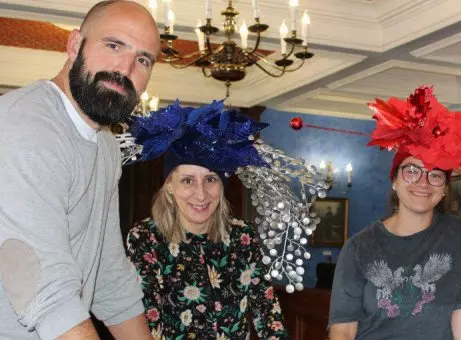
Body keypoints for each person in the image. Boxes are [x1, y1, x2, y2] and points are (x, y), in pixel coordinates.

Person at [0, 1, 160, 339]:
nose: (126, 67)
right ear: (75, 45)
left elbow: (109, 274)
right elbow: (39, 282)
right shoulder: (25, 126)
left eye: (143, 59)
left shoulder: (105, 146)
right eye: (114, 45)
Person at [328, 86, 461, 340]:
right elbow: (343, 330)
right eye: (411, 171)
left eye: (435, 175)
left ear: (445, 187)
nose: (423, 183)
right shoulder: (359, 247)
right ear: (395, 180)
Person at [125, 100, 288, 339]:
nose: (201, 194)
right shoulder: (145, 238)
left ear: (222, 185)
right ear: (169, 185)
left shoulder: (243, 237)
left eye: (211, 179)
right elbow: (146, 319)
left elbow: (267, 311)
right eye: (188, 180)